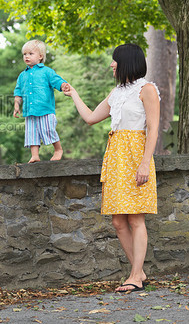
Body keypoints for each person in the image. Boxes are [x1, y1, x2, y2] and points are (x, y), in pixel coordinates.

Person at [62, 43, 160, 293]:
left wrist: (145, 163)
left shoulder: (146, 89)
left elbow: (153, 129)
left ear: (126, 61)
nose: (111, 64)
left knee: (136, 218)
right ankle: (139, 272)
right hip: (116, 156)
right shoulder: (117, 92)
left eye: (114, 60)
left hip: (136, 154)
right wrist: (74, 94)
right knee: (118, 221)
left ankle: (136, 276)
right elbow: (91, 118)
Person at [13, 39, 67, 163]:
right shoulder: (22, 75)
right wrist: (17, 105)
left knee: (48, 129)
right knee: (32, 133)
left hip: (45, 109)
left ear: (40, 56)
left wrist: (63, 85)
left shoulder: (46, 71)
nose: (26, 56)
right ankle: (35, 155)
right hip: (29, 111)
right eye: (25, 54)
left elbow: (56, 80)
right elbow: (18, 91)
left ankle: (58, 149)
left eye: (30, 54)